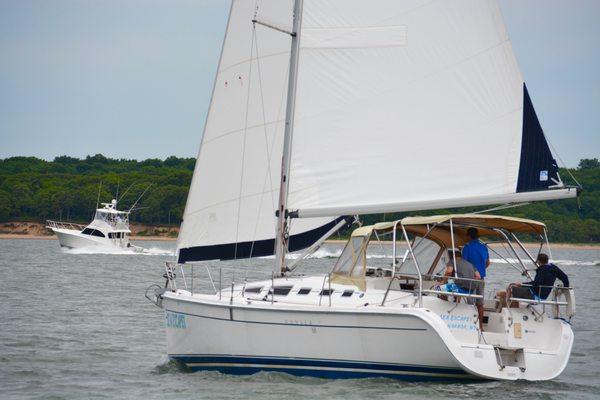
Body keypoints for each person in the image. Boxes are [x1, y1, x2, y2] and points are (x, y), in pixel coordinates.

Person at [437, 249, 485, 330]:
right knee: (452, 287)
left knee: (438, 288)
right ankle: (480, 327)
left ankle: (444, 312)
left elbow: (449, 272)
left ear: (452, 256)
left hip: (460, 288)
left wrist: (443, 282)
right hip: (470, 290)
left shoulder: (452, 261)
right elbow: (478, 276)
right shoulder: (470, 264)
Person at [501, 253, 569, 305]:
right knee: (515, 288)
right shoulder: (554, 268)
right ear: (547, 260)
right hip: (544, 296)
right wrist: (566, 289)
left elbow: (537, 283)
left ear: (538, 261)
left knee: (510, 287)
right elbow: (565, 277)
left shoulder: (542, 270)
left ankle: (509, 309)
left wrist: (521, 284)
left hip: (535, 295)